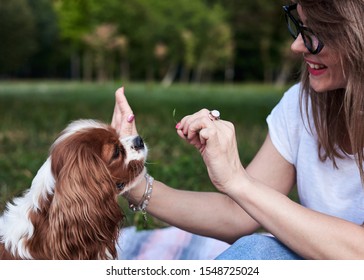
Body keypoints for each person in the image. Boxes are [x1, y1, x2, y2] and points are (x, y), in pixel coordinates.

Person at [111, 0, 364, 260]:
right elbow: (237, 215)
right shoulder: (303, 105)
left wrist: (239, 182)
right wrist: (134, 182)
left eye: (316, 33)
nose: (297, 45)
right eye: (300, 27)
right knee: (258, 251)